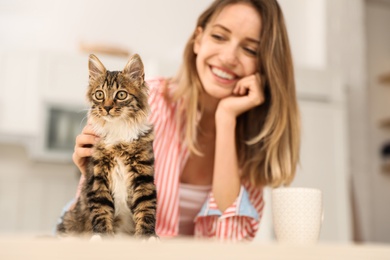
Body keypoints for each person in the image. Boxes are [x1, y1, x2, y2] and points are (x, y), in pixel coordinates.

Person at [70, 0, 300, 241]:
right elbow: (91, 227)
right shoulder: (146, 107)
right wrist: (92, 174)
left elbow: (231, 245)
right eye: (220, 37)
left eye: (250, 50)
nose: (229, 57)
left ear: (264, 64)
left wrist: (226, 119)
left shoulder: (253, 140)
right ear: (198, 39)